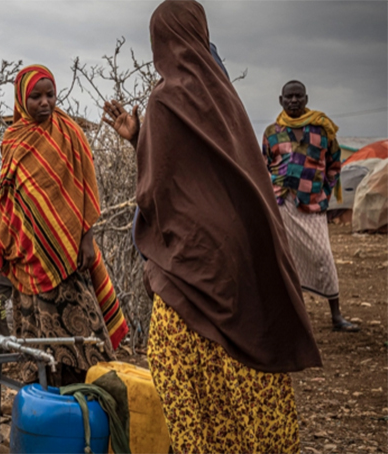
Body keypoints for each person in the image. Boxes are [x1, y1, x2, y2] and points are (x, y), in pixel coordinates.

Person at [101, 1, 322, 452]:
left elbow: (157, 189)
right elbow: (210, 172)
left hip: (195, 261)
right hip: (241, 254)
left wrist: (144, 142)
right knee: (242, 356)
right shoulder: (224, 95)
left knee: (174, 360)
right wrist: (142, 136)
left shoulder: (165, 98)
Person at [0, 64, 127, 387]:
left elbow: (86, 185)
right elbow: (8, 196)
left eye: (50, 94)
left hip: (68, 251)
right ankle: (45, 391)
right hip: (27, 254)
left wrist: (87, 238)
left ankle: (87, 390)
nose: (44, 102)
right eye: (35, 96)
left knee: (80, 329)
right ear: (22, 98)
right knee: (35, 332)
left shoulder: (70, 133)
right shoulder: (13, 140)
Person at [263, 80, 358, 332]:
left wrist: (324, 192)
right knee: (283, 260)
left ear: (306, 99)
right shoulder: (272, 132)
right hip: (281, 203)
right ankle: (289, 316)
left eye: (298, 96)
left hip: (313, 205)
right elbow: (263, 166)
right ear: (280, 100)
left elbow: (334, 165)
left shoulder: (322, 130)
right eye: (289, 97)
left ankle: (336, 316)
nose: (293, 100)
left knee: (323, 257)